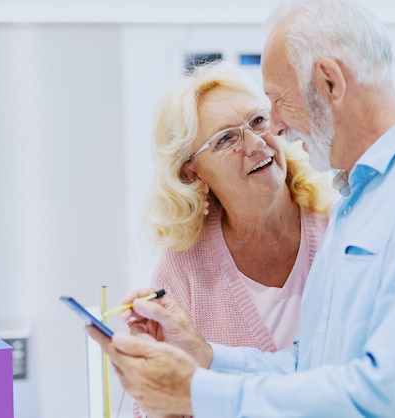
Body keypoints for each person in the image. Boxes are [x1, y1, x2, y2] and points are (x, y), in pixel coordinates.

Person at [87, 1, 395, 417]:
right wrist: (208, 358)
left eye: (277, 102)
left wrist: (198, 391)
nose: (274, 127)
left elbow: (390, 397)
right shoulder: (357, 203)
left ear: (330, 82)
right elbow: (314, 368)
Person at [131, 61, 334, 417]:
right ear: (191, 172)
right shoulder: (184, 268)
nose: (256, 143)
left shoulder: (340, 229)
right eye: (226, 138)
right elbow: (155, 404)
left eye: (258, 120)